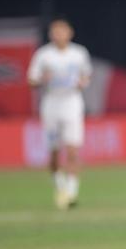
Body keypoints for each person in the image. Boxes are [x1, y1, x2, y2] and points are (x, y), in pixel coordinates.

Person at [27, 18, 91, 209]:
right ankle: (59, 186)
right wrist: (42, 79)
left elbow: (86, 75)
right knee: (54, 152)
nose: (59, 35)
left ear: (70, 33)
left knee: (72, 150)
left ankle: (71, 194)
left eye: (62, 31)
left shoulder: (79, 53)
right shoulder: (44, 55)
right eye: (55, 32)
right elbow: (31, 80)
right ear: (51, 35)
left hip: (72, 104)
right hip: (52, 105)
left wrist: (82, 83)